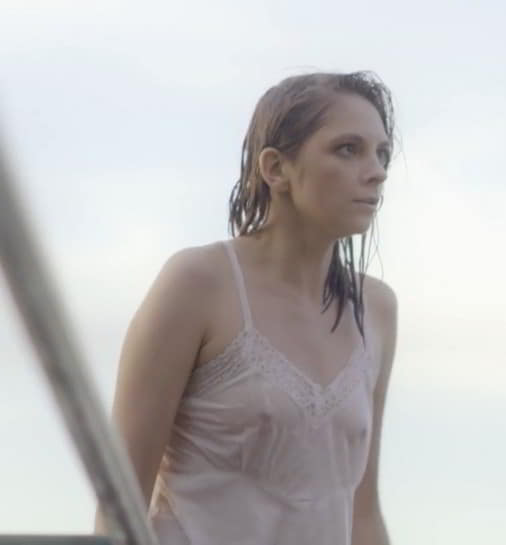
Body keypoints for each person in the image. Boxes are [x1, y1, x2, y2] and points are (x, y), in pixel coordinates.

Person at [96, 71, 399, 545]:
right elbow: (120, 502)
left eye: (382, 153)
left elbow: (362, 511)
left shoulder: (376, 308)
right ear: (276, 168)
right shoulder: (198, 283)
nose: (376, 170)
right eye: (348, 149)